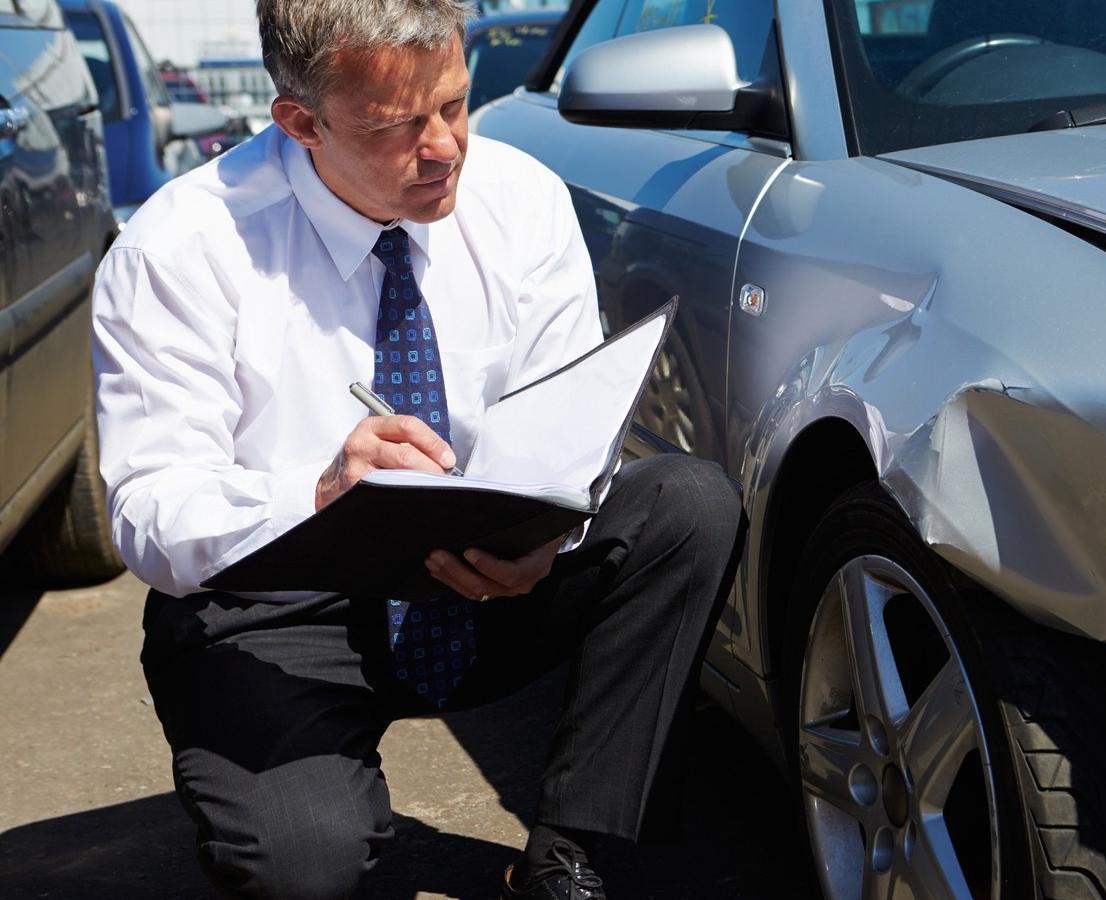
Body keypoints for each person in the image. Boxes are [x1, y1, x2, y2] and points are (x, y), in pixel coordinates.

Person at [90, 1, 743, 897]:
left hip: (479, 571)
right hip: (278, 603)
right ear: (301, 123)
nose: (444, 148)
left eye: (455, 105)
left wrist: (548, 529)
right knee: (302, 861)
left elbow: (566, 420)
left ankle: (569, 855)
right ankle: (305, 802)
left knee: (688, 505)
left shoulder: (519, 196)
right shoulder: (180, 247)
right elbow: (148, 513)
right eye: (398, 127)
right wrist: (319, 494)